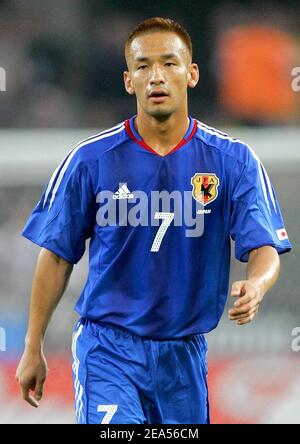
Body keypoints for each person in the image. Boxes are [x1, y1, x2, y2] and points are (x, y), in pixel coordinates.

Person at [16, 17, 292, 424]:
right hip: (108, 347)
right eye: (143, 67)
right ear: (129, 81)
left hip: (184, 353)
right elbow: (57, 256)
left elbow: (265, 247)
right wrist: (32, 345)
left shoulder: (233, 161)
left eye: (169, 64)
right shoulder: (89, 160)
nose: (156, 77)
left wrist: (257, 283)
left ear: (192, 73)